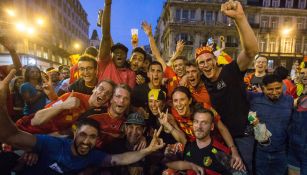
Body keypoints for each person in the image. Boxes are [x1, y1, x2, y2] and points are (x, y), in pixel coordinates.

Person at [0, 71, 165, 174]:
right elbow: (44, 125)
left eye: (125, 98)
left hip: (92, 161)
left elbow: (119, 157)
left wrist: (143, 140)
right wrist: (37, 147)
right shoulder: (81, 106)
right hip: (30, 138)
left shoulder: (125, 123)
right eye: (117, 96)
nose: (120, 101)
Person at [196, 1, 258, 173]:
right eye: (201, 63)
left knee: (243, 170)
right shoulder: (201, 80)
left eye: (209, 60)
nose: (206, 65)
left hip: (242, 135)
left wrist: (240, 18)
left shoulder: (231, 70)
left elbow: (251, 51)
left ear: (216, 60)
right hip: (220, 138)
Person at [170, 86, 244, 171]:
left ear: (190, 100)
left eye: (182, 99)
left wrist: (234, 151)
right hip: (195, 151)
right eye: (175, 100)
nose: (178, 104)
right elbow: (183, 138)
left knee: (238, 169)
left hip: (217, 149)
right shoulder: (174, 112)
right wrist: (171, 125)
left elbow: (222, 128)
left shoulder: (204, 108)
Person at [166, 106, 245, 175]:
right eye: (196, 122)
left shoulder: (222, 153)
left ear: (212, 127)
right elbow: (167, 164)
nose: (199, 126)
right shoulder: (188, 146)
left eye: (204, 123)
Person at [16, 80, 115, 134]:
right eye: (101, 89)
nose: (103, 94)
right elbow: (37, 119)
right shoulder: (73, 96)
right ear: (94, 89)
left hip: (46, 140)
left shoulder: (99, 113)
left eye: (108, 93)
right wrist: (63, 106)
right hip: (26, 130)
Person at [248, 74, 293, 175]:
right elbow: (234, 93)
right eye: (270, 89)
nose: (274, 92)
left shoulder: (289, 100)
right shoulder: (253, 98)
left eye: (278, 88)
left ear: (282, 86)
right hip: (261, 152)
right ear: (263, 88)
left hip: (282, 152)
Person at [97, 0, 136, 88]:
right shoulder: (105, 64)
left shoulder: (131, 74)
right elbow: (106, 36)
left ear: (126, 56)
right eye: (116, 52)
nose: (119, 53)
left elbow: (127, 96)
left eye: (122, 52)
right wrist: (107, 4)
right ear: (111, 55)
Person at [88, 84, 132, 148]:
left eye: (126, 98)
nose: (122, 101)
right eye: (118, 96)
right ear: (111, 99)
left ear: (129, 103)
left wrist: (141, 139)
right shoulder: (93, 115)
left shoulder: (129, 123)